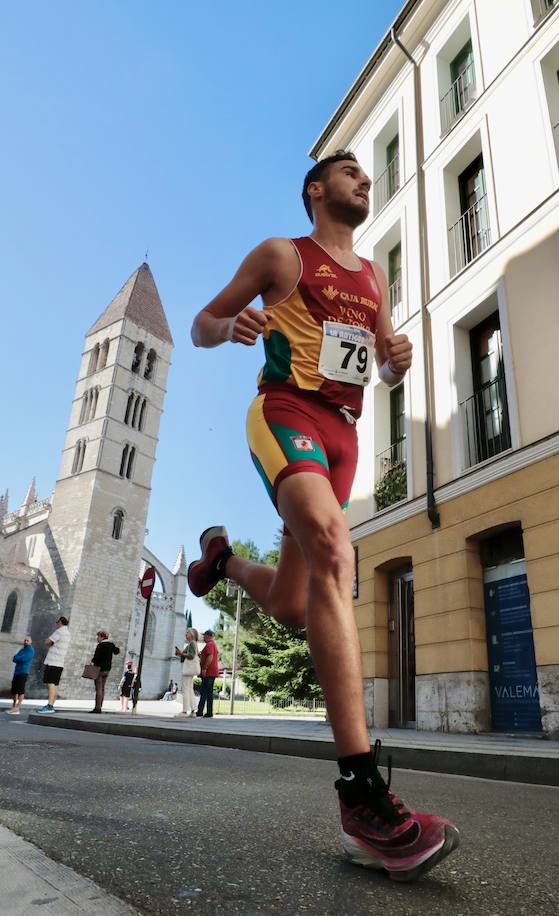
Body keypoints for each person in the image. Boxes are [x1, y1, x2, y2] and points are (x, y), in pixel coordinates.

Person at [185, 151, 458, 879]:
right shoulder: (282, 254)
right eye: (350, 173)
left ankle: (223, 562)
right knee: (339, 556)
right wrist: (230, 326)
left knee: (292, 604)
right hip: (286, 413)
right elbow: (200, 324)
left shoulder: (373, 277)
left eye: (368, 176)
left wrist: (397, 357)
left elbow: (386, 362)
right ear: (316, 190)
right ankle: (363, 798)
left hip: (344, 435)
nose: (364, 181)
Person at [37, 616, 71, 714]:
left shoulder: (59, 631)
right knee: (55, 684)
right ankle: (52, 705)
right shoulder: (68, 633)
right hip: (60, 663)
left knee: (50, 683)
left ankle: (49, 705)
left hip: (53, 661)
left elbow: (48, 642)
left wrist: (49, 642)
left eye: (57, 622)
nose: (56, 624)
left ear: (60, 622)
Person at [88, 629, 119, 713]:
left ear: (102, 637)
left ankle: (97, 708)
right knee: (102, 688)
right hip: (107, 670)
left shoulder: (100, 645)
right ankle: (100, 706)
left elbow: (96, 657)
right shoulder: (111, 645)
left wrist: (92, 662)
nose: (97, 638)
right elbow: (117, 651)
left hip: (99, 669)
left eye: (98, 636)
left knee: (98, 688)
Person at [174, 627, 200, 716]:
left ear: (192, 635)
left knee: (186, 689)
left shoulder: (191, 644)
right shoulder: (194, 644)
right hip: (191, 670)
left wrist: (181, 653)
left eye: (187, 633)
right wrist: (181, 654)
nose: (186, 635)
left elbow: (191, 656)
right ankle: (193, 710)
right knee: (190, 689)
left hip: (188, 670)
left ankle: (185, 711)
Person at [195, 630, 220, 718]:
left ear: (208, 636)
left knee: (204, 691)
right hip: (212, 672)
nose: (203, 637)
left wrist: (204, 668)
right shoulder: (213, 644)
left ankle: (200, 711)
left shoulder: (209, 644)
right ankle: (209, 712)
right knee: (209, 692)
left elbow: (210, 656)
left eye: (204, 636)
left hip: (209, 672)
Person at [9, 636, 34, 715]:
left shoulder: (30, 650)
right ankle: (13, 706)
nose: (26, 641)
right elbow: (14, 658)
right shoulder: (22, 650)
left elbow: (24, 659)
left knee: (20, 690)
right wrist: (18, 658)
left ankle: (18, 707)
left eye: (27, 640)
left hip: (23, 672)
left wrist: (18, 658)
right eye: (25, 640)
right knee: (14, 690)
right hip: (17, 672)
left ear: (30, 642)